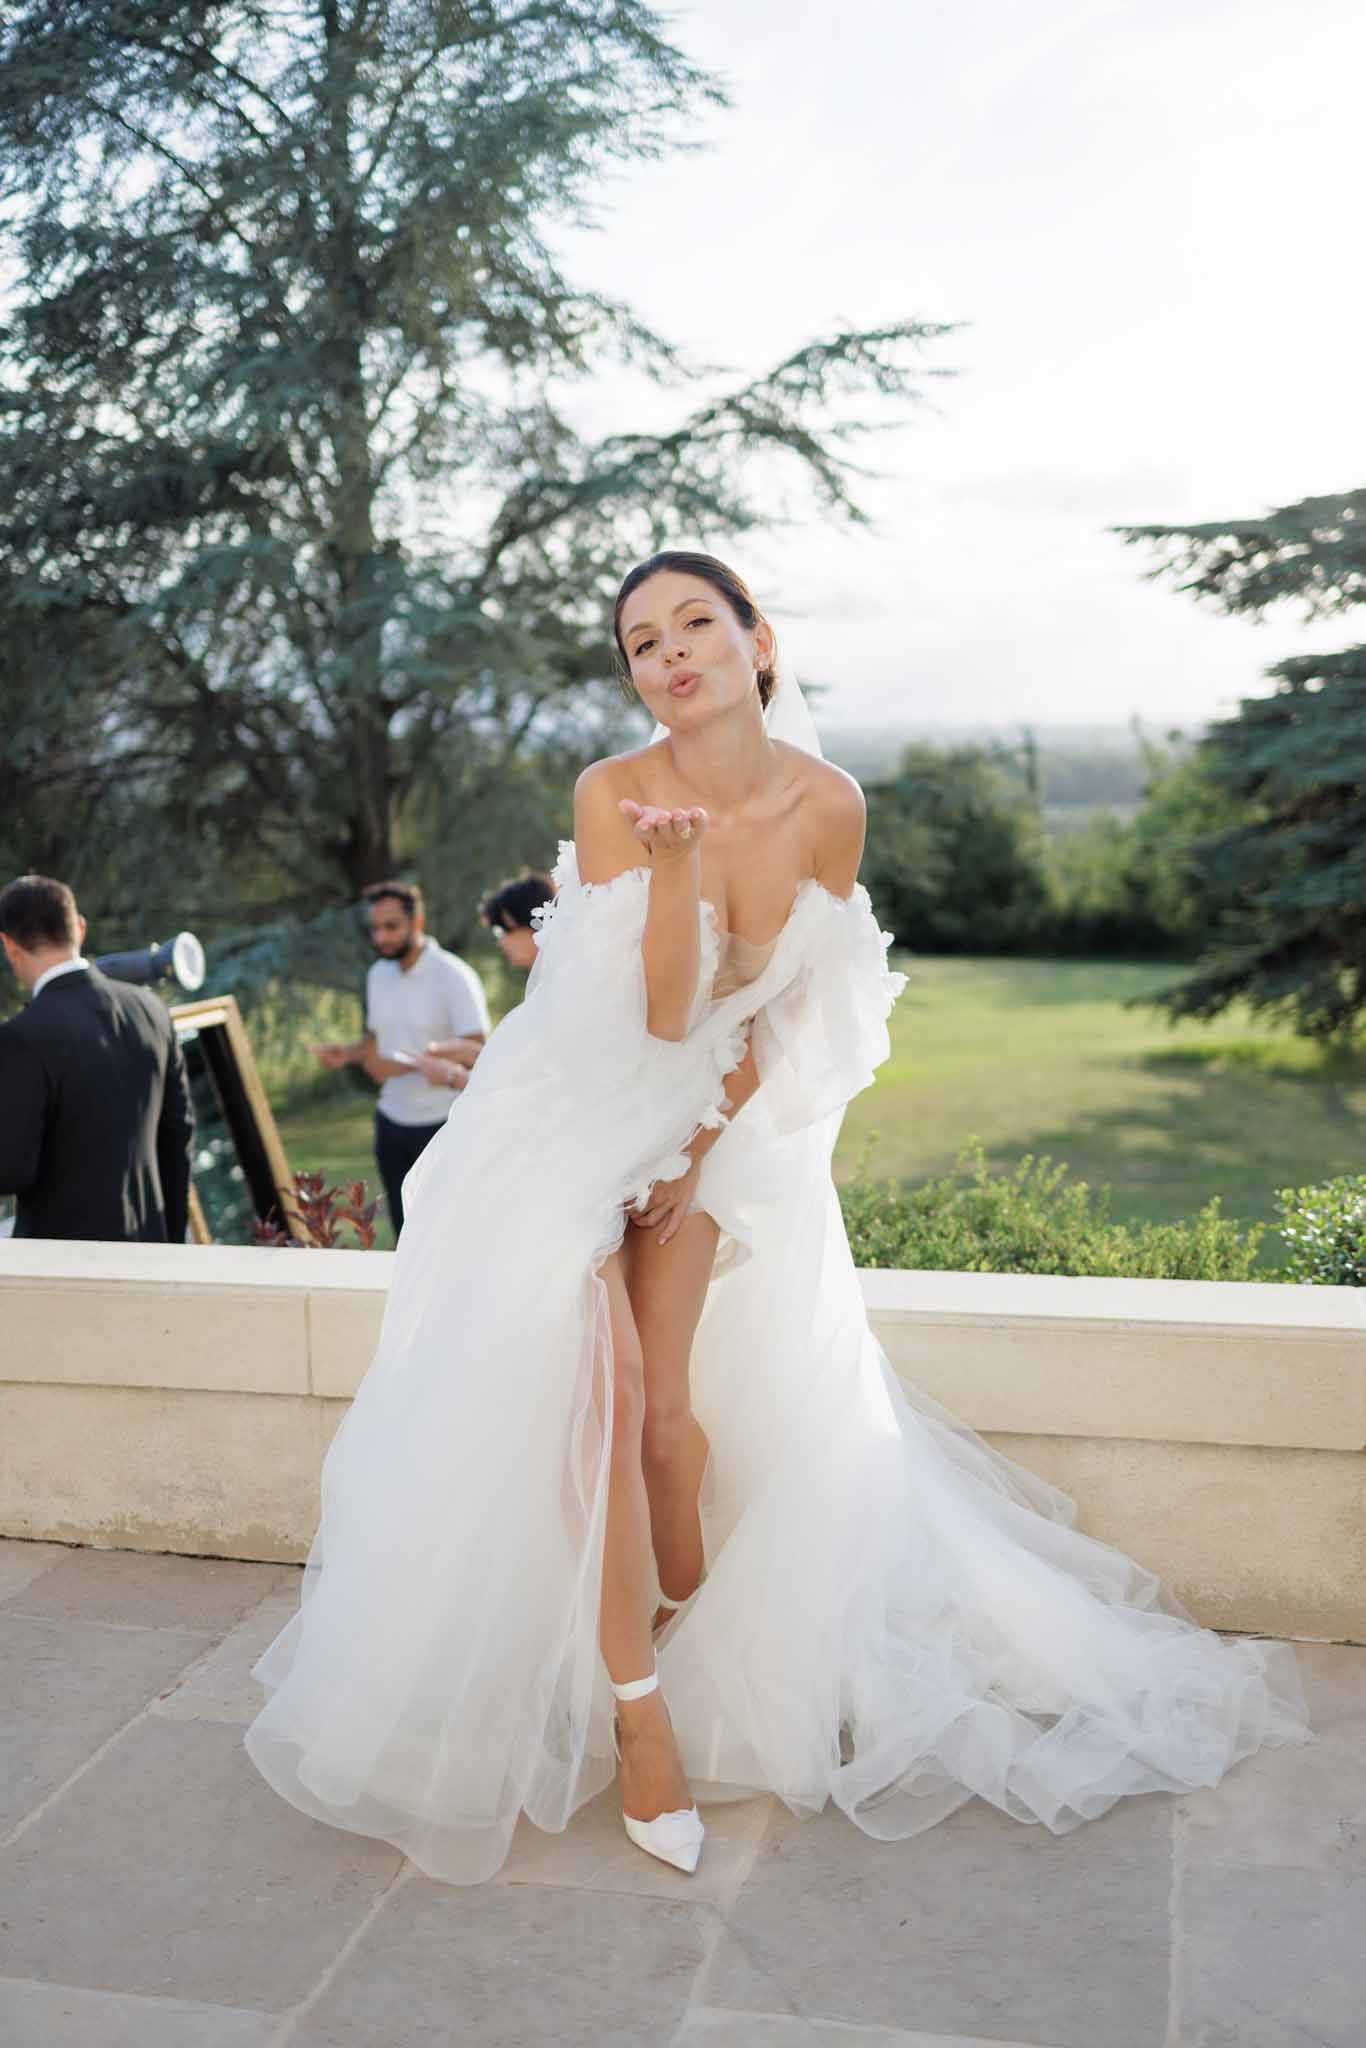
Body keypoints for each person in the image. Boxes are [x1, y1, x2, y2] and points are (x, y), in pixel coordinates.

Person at [246, 551, 1309, 1887]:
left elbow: (799, 1003)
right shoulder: (613, 793)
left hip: (711, 1128)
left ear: (757, 642)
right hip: (568, 1117)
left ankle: (678, 1621)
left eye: (695, 622)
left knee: (667, 1422)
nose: (669, 654)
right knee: (600, 1399)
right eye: (641, 642)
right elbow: (651, 1016)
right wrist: (676, 876)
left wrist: (693, 1149)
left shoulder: (828, 802)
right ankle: (642, 1719)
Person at [0, 873, 194, 1243]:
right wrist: (170, 1247)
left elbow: (10, 1169)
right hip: (150, 1249)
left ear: (9, 946)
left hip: (63, 1261)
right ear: (80, 928)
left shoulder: (21, 1037)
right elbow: (178, 1138)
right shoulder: (152, 1010)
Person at [312, 880, 490, 1238]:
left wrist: (405, 1065)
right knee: (404, 1233)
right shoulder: (377, 974)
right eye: (375, 928)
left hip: (443, 1124)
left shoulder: (454, 976)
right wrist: (348, 1053)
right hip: (391, 1124)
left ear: (417, 922)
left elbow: (479, 1051)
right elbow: (378, 1039)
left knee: (450, 1235)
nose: (381, 937)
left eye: (391, 927)